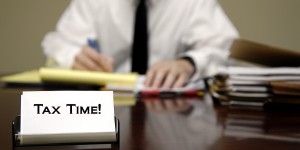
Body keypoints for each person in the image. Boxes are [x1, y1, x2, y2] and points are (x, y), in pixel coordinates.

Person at [42, 0, 238, 89]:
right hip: (106, 107)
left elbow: (228, 51)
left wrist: (188, 63)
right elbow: (57, 42)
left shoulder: (195, 3)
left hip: (173, 113)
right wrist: (74, 57)